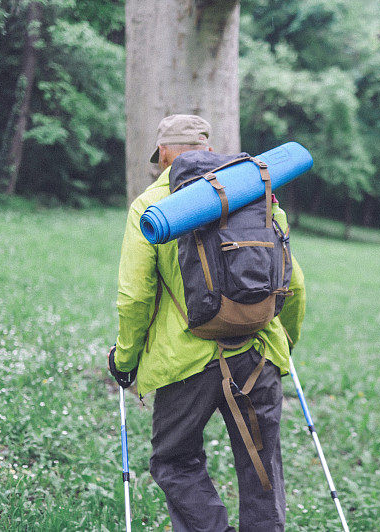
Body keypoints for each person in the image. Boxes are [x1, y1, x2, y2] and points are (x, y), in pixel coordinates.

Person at [108, 114, 306, 531]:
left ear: (163, 154)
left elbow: (135, 297)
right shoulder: (257, 196)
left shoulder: (151, 207)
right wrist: (283, 340)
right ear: (209, 149)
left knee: (175, 460)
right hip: (256, 352)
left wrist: (125, 361)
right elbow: (294, 284)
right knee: (261, 467)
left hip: (185, 364)